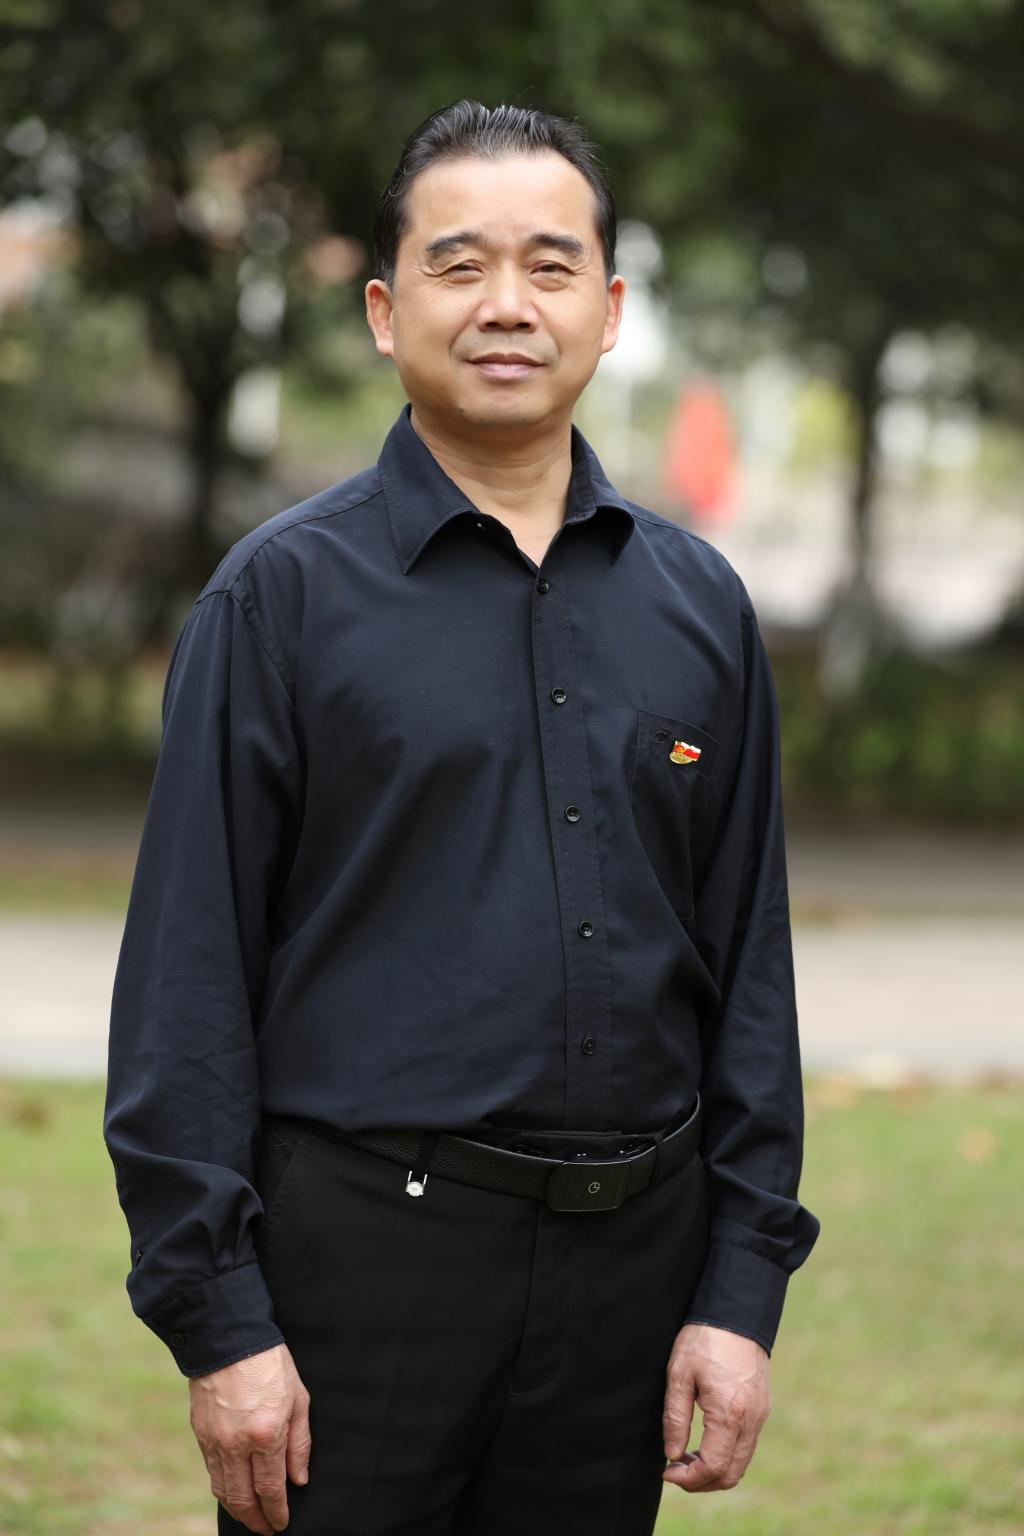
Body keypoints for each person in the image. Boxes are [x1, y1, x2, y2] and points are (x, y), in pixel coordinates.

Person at [103, 98, 820, 1536]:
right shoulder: (278, 600)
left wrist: (740, 1290)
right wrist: (222, 1322)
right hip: (361, 1274)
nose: (508, 304)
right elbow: (187, 979)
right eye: (459, 264)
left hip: (631, 1280)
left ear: (611, 310)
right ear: (385, 311)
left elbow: (750, 972)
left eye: (551, 266)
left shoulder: (700, 607)